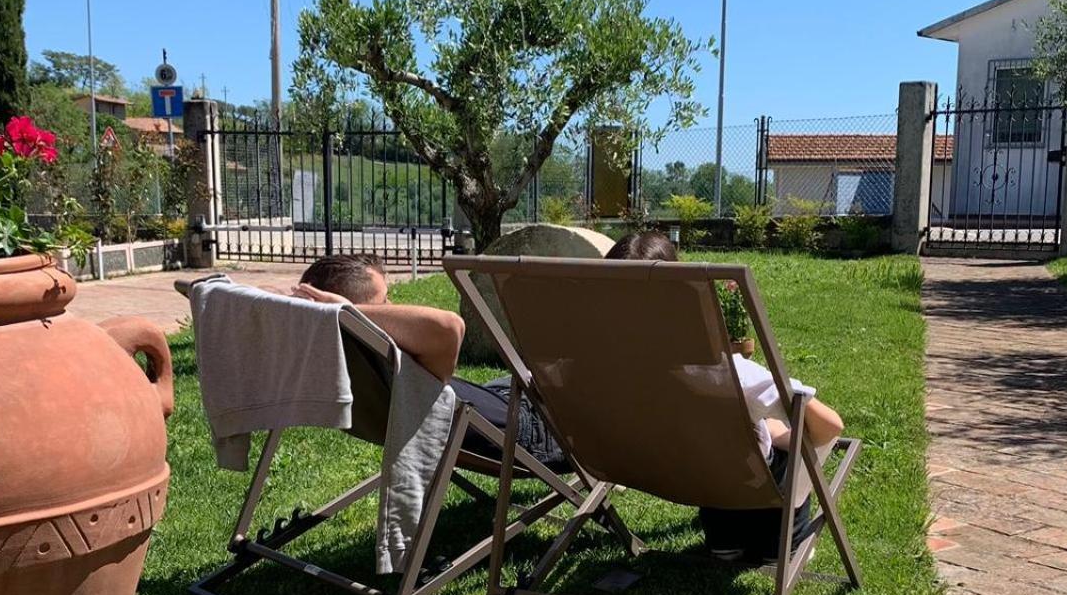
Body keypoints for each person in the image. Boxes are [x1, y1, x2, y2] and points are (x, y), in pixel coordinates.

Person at [604, 229, 844, 561]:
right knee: (789, 447)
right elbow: (831, 426)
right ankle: (784, 543)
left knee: (726, 442)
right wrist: (785, 437)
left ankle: (726, 540)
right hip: (746, 483)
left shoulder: (594, 369)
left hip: (681, 476)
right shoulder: (724, 374)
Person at [291, 253, 569, 471]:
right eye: (384, 301)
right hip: (533, 428)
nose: (393, 306)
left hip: (506, 398)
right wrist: (347, 312)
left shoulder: (346, 367)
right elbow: (449, 327)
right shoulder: (399, 371)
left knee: (551, 369)